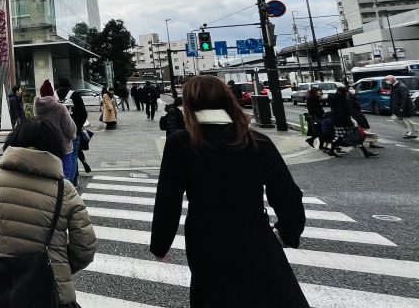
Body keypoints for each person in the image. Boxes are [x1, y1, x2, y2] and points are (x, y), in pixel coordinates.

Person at [150, 75, 308, 308]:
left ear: (189, 104)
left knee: (215, 296)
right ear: (227, 99)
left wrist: (160, 244)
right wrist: (288, 233)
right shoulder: (255, 140)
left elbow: (168, 200)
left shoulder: (182, 142)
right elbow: (288, 194)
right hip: (255, 235)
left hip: (206, 238)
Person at [0, 118, 97, 308]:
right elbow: (85, 246)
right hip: (52, 289)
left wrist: (4, 251)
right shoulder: (64, 189)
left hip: (9, 282)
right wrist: (61, 264)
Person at [35, 80, 77, 179]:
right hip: (63, 147)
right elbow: (70, 128)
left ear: (41, 93)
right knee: (65, 175)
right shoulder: (60, 107)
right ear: (52, 93)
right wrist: (73, 136)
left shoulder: (37, 107)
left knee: (49, 176)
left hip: (45, 146)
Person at [58, 77, 91, 181]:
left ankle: (68, 180)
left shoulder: (54, 95)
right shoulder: (75, 94)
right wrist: (78, 126)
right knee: (73, 155)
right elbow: (83, 114)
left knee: (61, 157)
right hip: (73, 130)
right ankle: (70, 182)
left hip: (57, 131)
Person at [329, 87, 378, 158]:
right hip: (343, 122)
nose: (347, 94)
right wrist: (350, 121)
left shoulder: (336, 99)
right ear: (342, 92)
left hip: (339, 122)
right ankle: (365, 152)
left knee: (342, 137)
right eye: (345, 92)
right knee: (354, 136)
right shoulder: (340, 101)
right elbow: (342, 113)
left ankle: (331, 151)